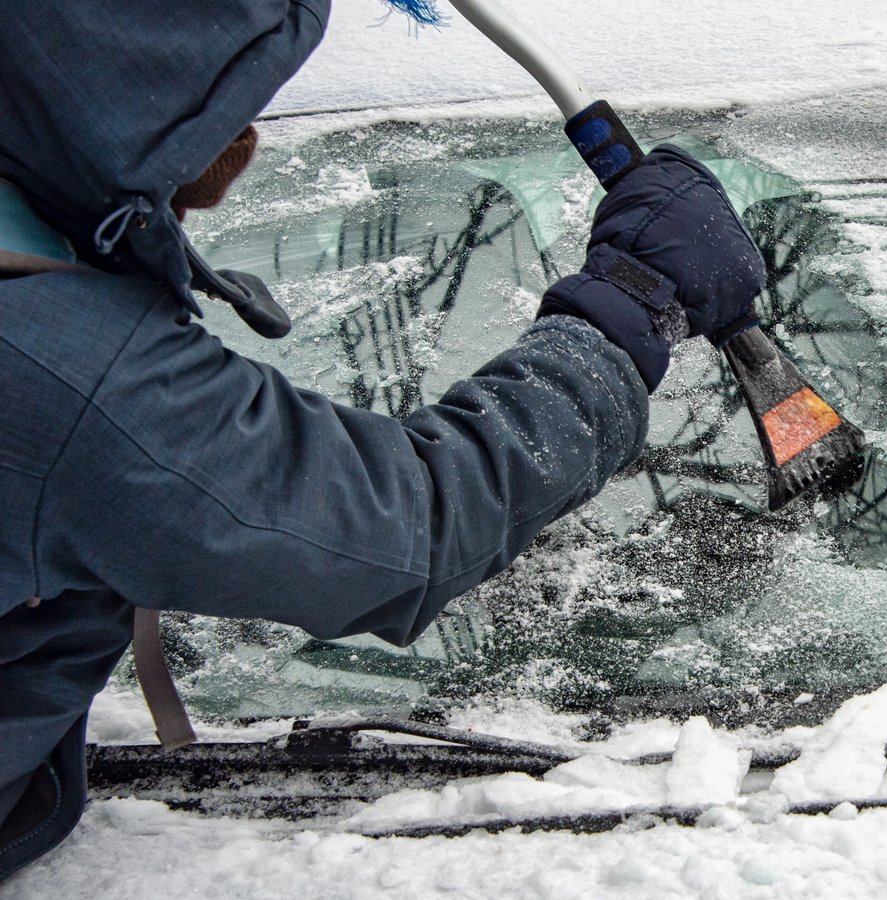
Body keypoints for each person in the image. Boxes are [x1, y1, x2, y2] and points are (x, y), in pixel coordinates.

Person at [0, 0, 763, 879]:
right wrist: (630, 300)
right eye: (219, 98)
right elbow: (410, 523)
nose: (243, 128)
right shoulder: (65, 365)